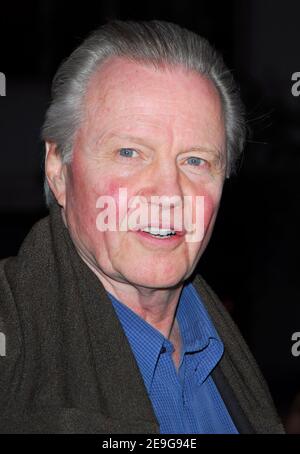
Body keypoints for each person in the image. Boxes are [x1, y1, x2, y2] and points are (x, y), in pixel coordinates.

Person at [0, 20, 284, 434]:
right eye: (130, 152)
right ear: (58, 169)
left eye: (195, 160)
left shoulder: (228, 352)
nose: (169, 193)